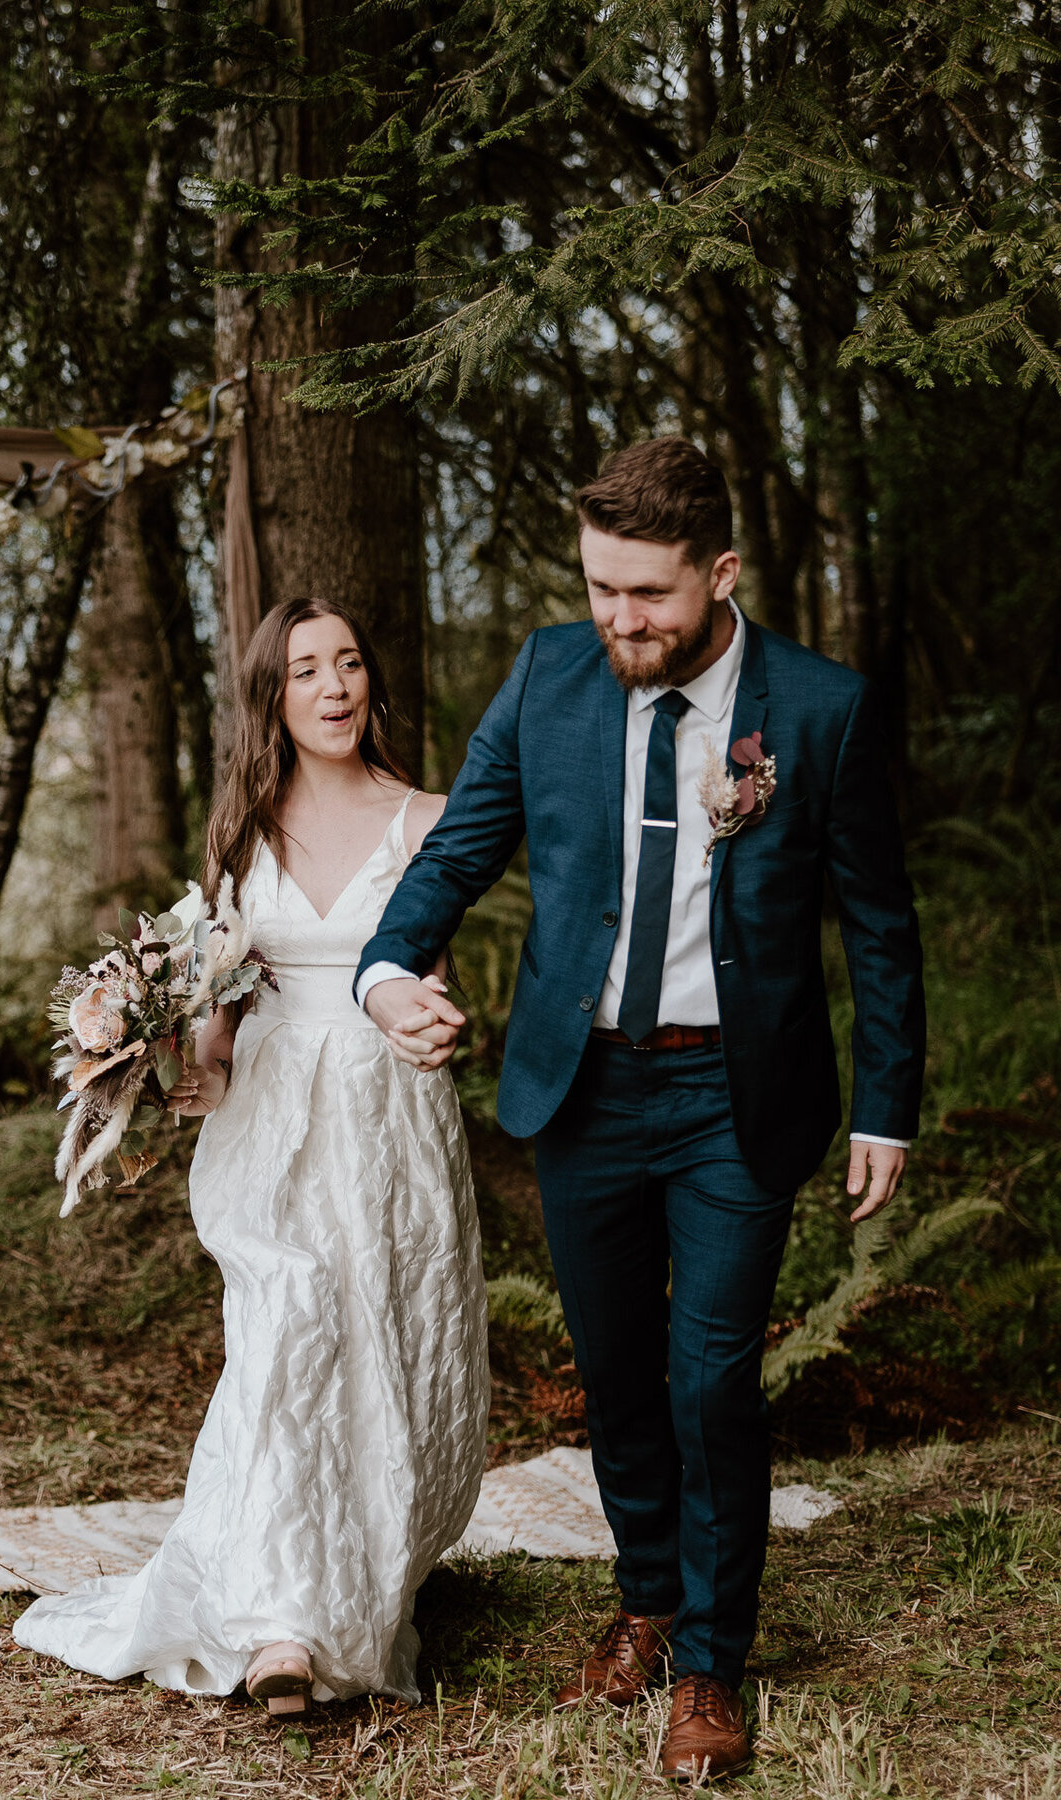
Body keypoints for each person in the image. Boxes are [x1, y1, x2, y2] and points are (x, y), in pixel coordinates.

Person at [357, 438, 925, 1779]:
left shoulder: (822, 709)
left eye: (650, 595)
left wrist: (886, 1106)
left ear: (720, 572)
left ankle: (712, 1669)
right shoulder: (551, 677)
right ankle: (651, 1601)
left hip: (740, 1095)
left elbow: (882, 930)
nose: (621, 619)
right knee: (616, 1373)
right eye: (603, 587)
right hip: (584, 1089)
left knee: (710, 1377)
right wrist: (386, 970)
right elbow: (460, 848)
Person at [14, 598, 489, 1715]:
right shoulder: (242, 834)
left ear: (371, 682)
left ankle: (368, 1576)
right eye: (306, 671)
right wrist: (196, 1069)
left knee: (382, 1342)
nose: (334, 687)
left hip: (387, 1115)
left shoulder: (430, 819)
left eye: (351, 663)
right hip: (270, 1122)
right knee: (285, 1330)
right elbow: (225, 1006)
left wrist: (430, 1014)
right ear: (272, 696)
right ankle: (279, 1626)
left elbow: (427, 971)